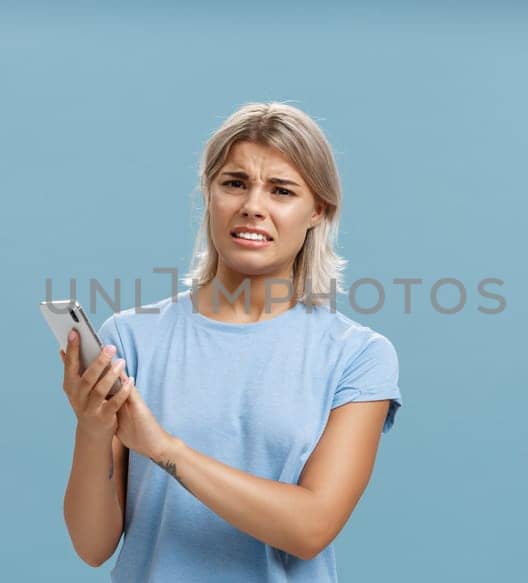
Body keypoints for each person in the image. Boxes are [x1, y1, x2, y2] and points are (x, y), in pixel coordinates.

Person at [57, 102, 403, 582]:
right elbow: (93, 547)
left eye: (281, 190)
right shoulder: (129, 338)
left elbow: (311, 527)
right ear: (210, 193)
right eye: (235, 183)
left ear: (317, 211)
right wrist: (93, 430)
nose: (252, 207)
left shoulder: (358, 356)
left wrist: (162, 448)